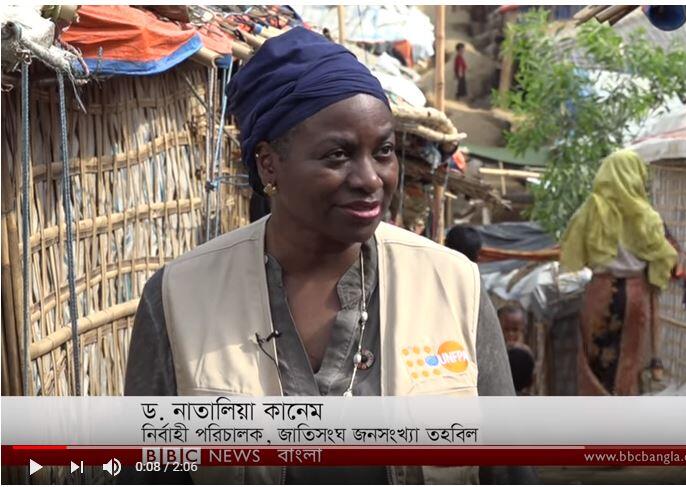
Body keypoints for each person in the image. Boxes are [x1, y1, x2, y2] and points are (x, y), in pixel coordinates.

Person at [123, 27, 535, 484]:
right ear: (268, 163)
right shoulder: (180, 297)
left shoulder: (453, 285)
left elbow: (508, 469)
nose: (370, 178)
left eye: (382, 152)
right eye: (338, 155)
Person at [559, 149, 677, 396]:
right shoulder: (647, 216)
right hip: (635, 296)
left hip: (599, 293)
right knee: (628, 363)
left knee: (593, 360)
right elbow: (663, 257)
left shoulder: (591, 210)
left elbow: (571, 252)